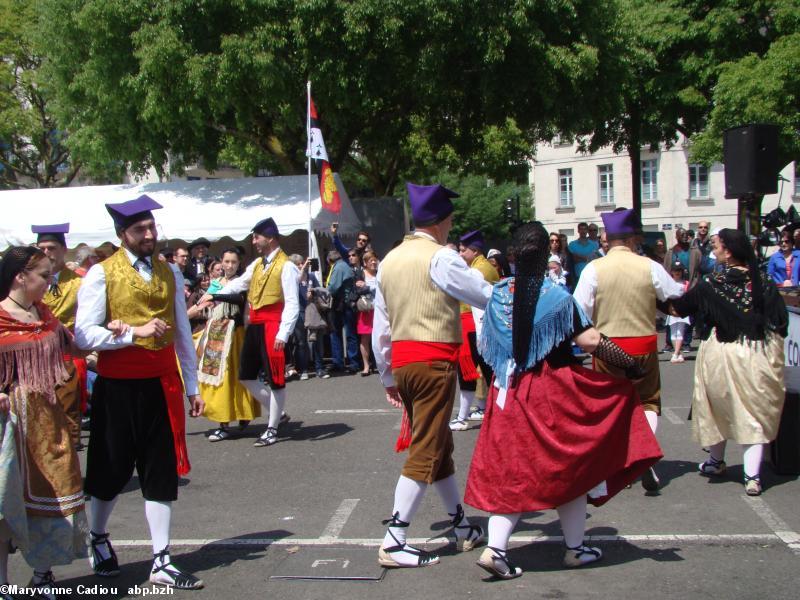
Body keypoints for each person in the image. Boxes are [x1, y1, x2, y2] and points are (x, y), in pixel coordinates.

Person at [463, 222, 662, 579]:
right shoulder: (556, 297)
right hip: (549, 392)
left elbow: (485, 346)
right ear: (545, 255)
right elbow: (590, 341)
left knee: (512, 472)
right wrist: (631, 365)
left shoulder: (497, 294)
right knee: (571, 468)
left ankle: (500, 549)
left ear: (513, 255)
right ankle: (572, 548)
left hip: (505, 391)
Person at [74, 195, 204, 589]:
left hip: (162, 383)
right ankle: (98, 536)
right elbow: (83, 335)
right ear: (122, 234)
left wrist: (193, 385)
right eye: (139, 229)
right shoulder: (101, 274)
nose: (149, 234)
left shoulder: (170, 271)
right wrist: (132, 333)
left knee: (159, 470)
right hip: (117, 386)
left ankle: (162, 560)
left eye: (151, 227)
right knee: (110, 467)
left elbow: (182, 331)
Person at [372, 182, 491, 568]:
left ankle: (461, 525)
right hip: (434, 362)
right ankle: (395, 538)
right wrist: (519, 294)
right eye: (450, 220)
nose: (451, 226)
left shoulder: (389, 260)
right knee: (427, 448)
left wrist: (387, 375)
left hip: (405, 363)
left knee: (439, 446)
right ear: (440, 221)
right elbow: (482, 294)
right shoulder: (441, 257)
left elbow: (380, 328)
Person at [669, 229, 787, 497]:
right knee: (754, 410)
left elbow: (678, 308)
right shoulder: (764, 281)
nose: (714, 250)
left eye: (716, 246)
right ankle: (752, 476)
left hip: (722, 351)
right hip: (758, 352)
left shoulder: (712, 284)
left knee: (716, 406)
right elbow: (780, 320)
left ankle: (716, 461)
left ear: (729, 252)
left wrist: (651, 295)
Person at [574, 208, 684, 493]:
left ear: (608, 239)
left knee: (610, 405)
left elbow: (579, 309)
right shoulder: (649, 266)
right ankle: (643, 453)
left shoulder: (593, 269)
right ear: (632, 238)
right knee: (647, 402)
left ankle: (617, 463)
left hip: (607, 347)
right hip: (643, 344)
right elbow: (674, 294)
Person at [0, 246, 89, 598]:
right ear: (20, 277)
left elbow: (74, 348)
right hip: (9, 423)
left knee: (53, 492)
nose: (50, 282)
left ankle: (42, 575)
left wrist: (119, 333)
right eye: (43, 275)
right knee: (6, 501)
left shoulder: (45, 314)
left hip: (46, 419)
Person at [201, 217, 299, 448]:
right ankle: (277, 413)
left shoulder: (286, 266)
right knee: (245, 376)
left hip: (273, 325)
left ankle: (272, 428)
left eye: (257, 237)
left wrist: (283, 334)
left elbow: (292, 303)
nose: (253, 241)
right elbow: (240, 283)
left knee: (276, 379)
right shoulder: (257, 264)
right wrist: (216, 294)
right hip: (255, 324)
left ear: (270, 238)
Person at [32, 224, 87, 449]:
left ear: (64, 249)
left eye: (52, 248)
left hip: (66, 357)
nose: (46, 253)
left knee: (67, 424)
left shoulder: (79, 283)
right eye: (41, 248)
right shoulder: (25, 282)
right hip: (33, 360)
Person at [199, 248, 261, 442]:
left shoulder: (241, 282)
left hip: (235, 335)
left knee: (236, 377)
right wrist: (182, 317)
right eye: (226, 261)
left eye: (234, 262)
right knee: (219, 379)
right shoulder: (216, 283)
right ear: (221, 262)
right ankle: (223, 422)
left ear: (239, 264)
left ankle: (241, 414)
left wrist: (215, 296)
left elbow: (239, 298)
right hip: (217, 334)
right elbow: (202, 304)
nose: (230, 265)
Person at [450, 230, 499, 431]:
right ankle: (489, 410)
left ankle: (462, 417)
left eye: (463, 250)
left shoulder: (479, 270)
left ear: (475, 251)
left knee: (470, 372)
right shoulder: (481, 267)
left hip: (473, 325)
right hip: (476, 324)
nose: (460, 254)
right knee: (488, 372)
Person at [326, 250, 360, 373]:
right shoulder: (344, 265)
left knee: (336, 334)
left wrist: (324, 290)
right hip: (346, 304)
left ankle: (340, 362)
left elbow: (333, 288)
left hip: (341, 304)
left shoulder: (338, 268)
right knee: (350, 334)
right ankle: (353, 362)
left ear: (330, 260)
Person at [286, 254, 311, 380]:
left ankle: (305, 368)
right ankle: (292, 368)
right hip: (290, 313)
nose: (301, 266)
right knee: (290, 342)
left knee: (302, 342)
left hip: (304, 312)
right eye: (298, 264)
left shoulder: (308, 276)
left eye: (302, 263)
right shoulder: (289, 278)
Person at [355, 251, 379, 376]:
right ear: (365, 263)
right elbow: (357, 290)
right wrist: (364, 287)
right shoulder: (360, 274)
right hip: (366, 310)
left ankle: (380, 364)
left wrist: (367, 287)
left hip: (380, 310)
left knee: (381, 338)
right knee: (365, 339)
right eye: (371, 260)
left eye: (375, 260)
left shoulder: (380, 273)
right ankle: (366, 366)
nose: (373, 262)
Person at [664, 263, 691, 363]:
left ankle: (675, 353)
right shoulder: (668, 282)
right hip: (672, 310)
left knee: (680, 332)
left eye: (679, 270)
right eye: (675, 270)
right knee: (673, 332)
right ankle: (678, 353)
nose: (677, 272)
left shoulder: (686, 283)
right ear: (671, 272)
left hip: (682, 310)